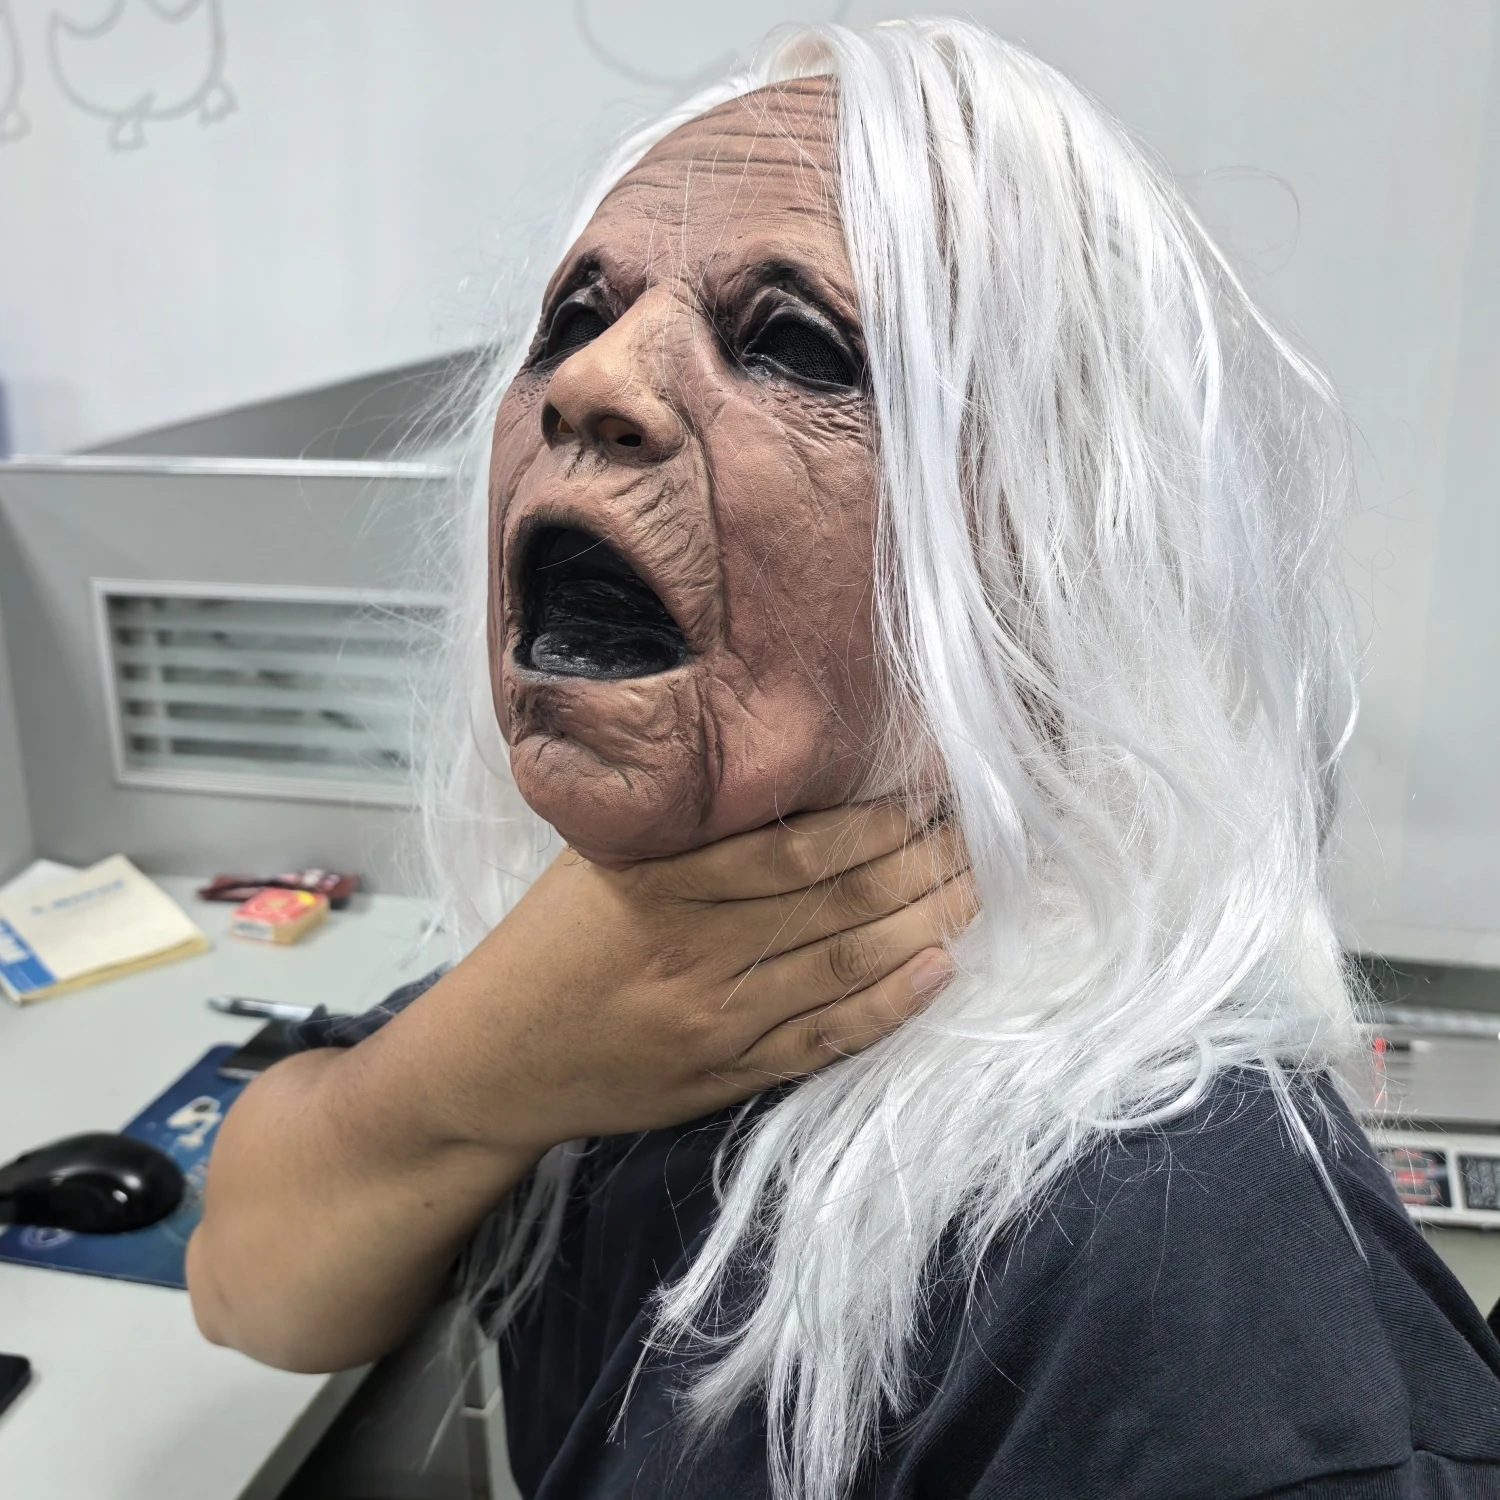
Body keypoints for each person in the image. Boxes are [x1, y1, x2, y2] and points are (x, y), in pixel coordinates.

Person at [188, 19, 1500, 1500]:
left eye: (795, 343)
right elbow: (248, 1284)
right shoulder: (647, 937)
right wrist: (490, 1060)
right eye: (573, 318)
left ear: (1053, 555)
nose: (591, 381)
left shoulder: (1186, 1275)